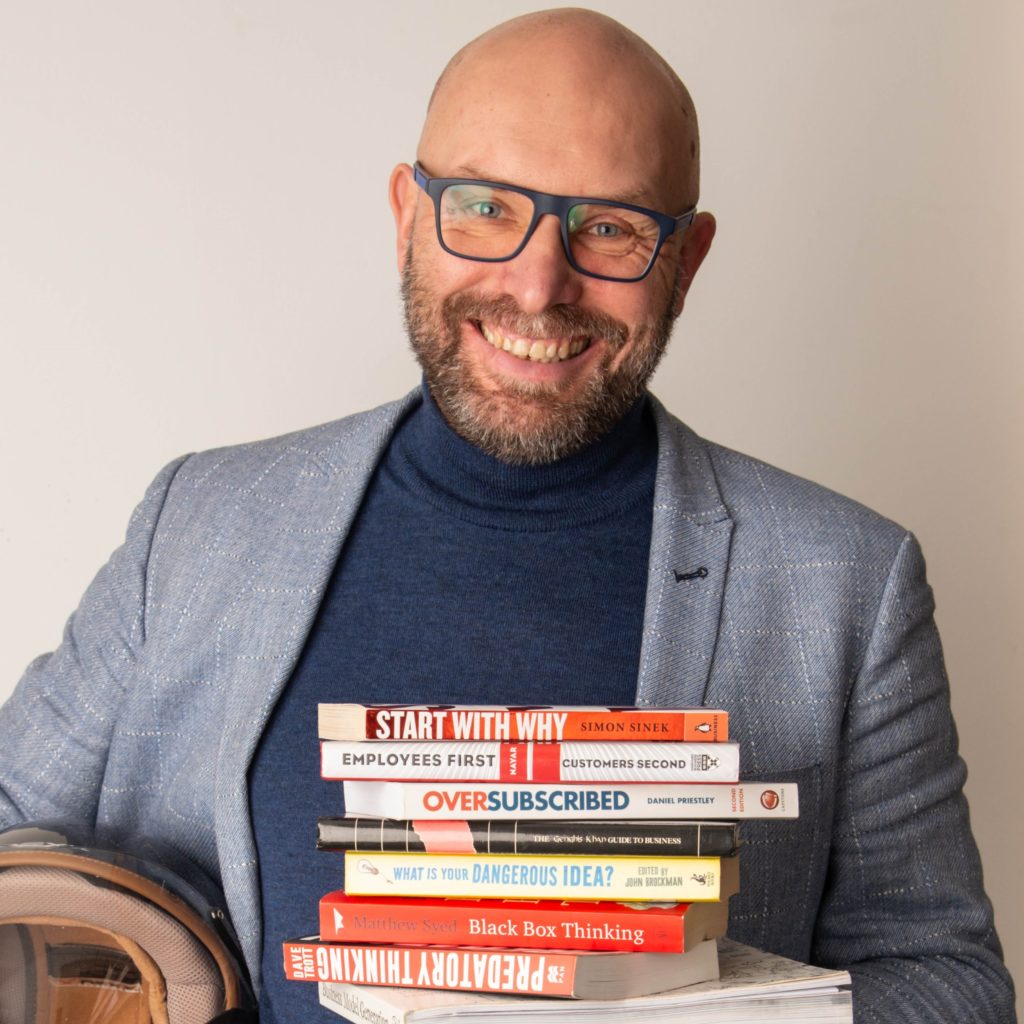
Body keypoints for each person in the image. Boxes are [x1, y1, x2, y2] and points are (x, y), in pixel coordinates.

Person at [0, 8, 1015, 1023]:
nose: (537, 285)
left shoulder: (846, 580)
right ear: (407, 213)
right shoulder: (201, 521)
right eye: (486, 207)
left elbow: (950, 980)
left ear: (686, 259)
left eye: (609, 227)